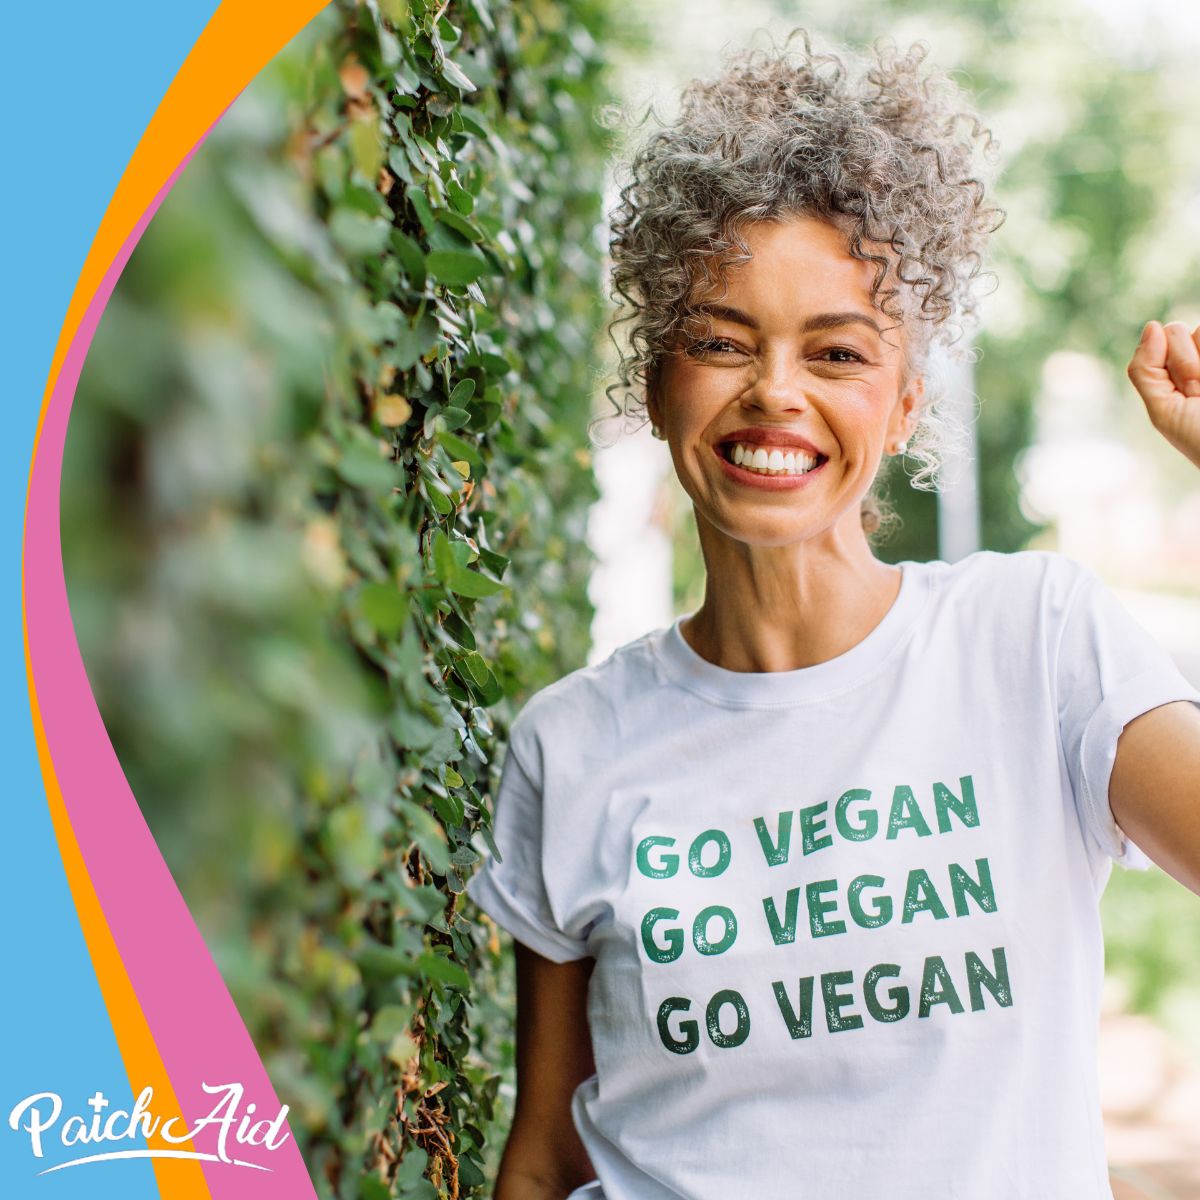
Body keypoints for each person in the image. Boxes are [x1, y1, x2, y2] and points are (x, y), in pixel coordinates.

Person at [465, 27, 1200, 1200]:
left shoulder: (1036, 640)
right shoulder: (570, 745)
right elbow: (547, 1157)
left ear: (904, 403)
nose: (776, 392)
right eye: (721, 341)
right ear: (657, 384)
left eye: (838, 351)